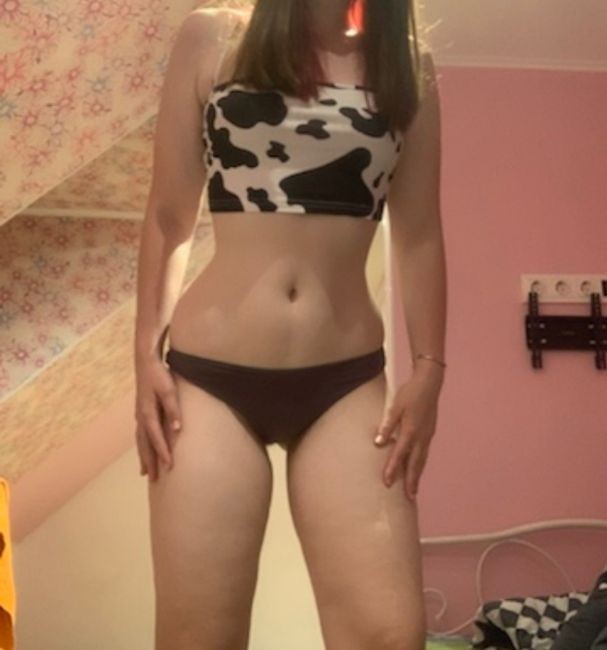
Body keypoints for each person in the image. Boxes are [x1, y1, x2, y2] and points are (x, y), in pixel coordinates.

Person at [134, 1, 446, 648]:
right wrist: (143, 356)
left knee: (391, 636)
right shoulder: (214, 37)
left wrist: (430, 369)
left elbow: (418, 234)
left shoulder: (406, 65)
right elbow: (168, 214)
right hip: (209, 380)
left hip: (347, 385)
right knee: (198, 639)